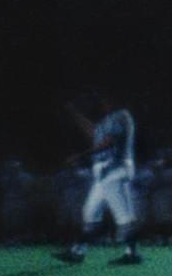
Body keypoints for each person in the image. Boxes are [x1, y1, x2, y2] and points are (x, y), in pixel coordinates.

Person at [60, 97, 144, 265]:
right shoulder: (108, 119)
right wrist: (76, 115)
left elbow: (109, 142)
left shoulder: (121, 115)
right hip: (103, 173)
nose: (102, 101)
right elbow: (95, 133)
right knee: (90, 213)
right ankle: (78, 252)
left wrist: (81, 155)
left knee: (123, 215)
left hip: (115, 169)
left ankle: (132, 254)